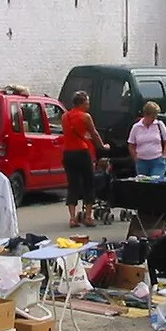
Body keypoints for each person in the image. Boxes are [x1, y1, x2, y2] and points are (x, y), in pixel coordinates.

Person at [60, 91, 106, 228]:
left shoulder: (65, 116)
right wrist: (103, 146)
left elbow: (69, 133)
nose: (89, 105)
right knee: (88, 183)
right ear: (82, 103)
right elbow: (94, 133)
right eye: (87, 102)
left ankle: (73, 218)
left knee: (72, 184)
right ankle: (88, 217)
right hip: (82, 152)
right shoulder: (86, 117)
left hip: (68, 153)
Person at [127, 101, 166, 179]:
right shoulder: (136, 127)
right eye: (152, 116)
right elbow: (131, 144)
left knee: (155, 181)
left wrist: (164, 156)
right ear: (146, 115)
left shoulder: (159, 125)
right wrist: (135, 158)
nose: (154, 119)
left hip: (157, 160)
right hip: (142, 162)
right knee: (144, 185)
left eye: (155, 116)